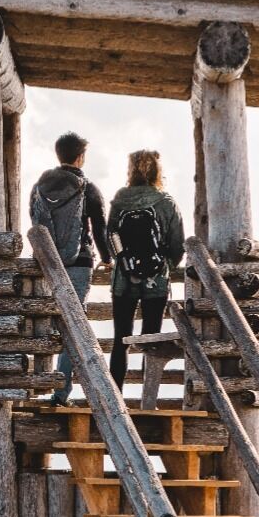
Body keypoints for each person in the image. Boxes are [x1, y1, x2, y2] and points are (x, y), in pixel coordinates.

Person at [28, 131, 108, 403]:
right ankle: (61, 392)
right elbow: (99, 227)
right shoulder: (87, 187)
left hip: (48, 262)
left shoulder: (40, 186)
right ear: (80, 157)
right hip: (79, 262)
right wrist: (108, 258)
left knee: (46, 320)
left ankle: (38, 383)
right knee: (73, 323)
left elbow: (35, 220)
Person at [105, 149, 185, 394]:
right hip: (156, 281)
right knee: (151, 340)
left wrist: (125, 263)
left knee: (121, 339)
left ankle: (115, 397)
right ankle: (147, 398)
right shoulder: (166, 202)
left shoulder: (120, 200)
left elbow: (111, 237)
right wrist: (164, 265)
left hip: (123, 280)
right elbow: (178, 245)